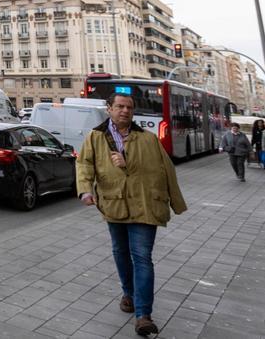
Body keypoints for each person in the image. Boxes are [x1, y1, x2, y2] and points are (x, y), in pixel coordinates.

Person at [78, 92, 187, 337]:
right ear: (109, 109)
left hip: (144, 206)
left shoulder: (147, 139)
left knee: (142, 256)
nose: (124, 111)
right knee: (120, 252)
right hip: (114, 204)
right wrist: (85, 190)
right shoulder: (95, 137)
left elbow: (165, 170)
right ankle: (128, 294)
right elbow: (84, 164)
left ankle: (143, 315)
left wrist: (129, 163)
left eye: (128, 107)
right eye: (119, 106)